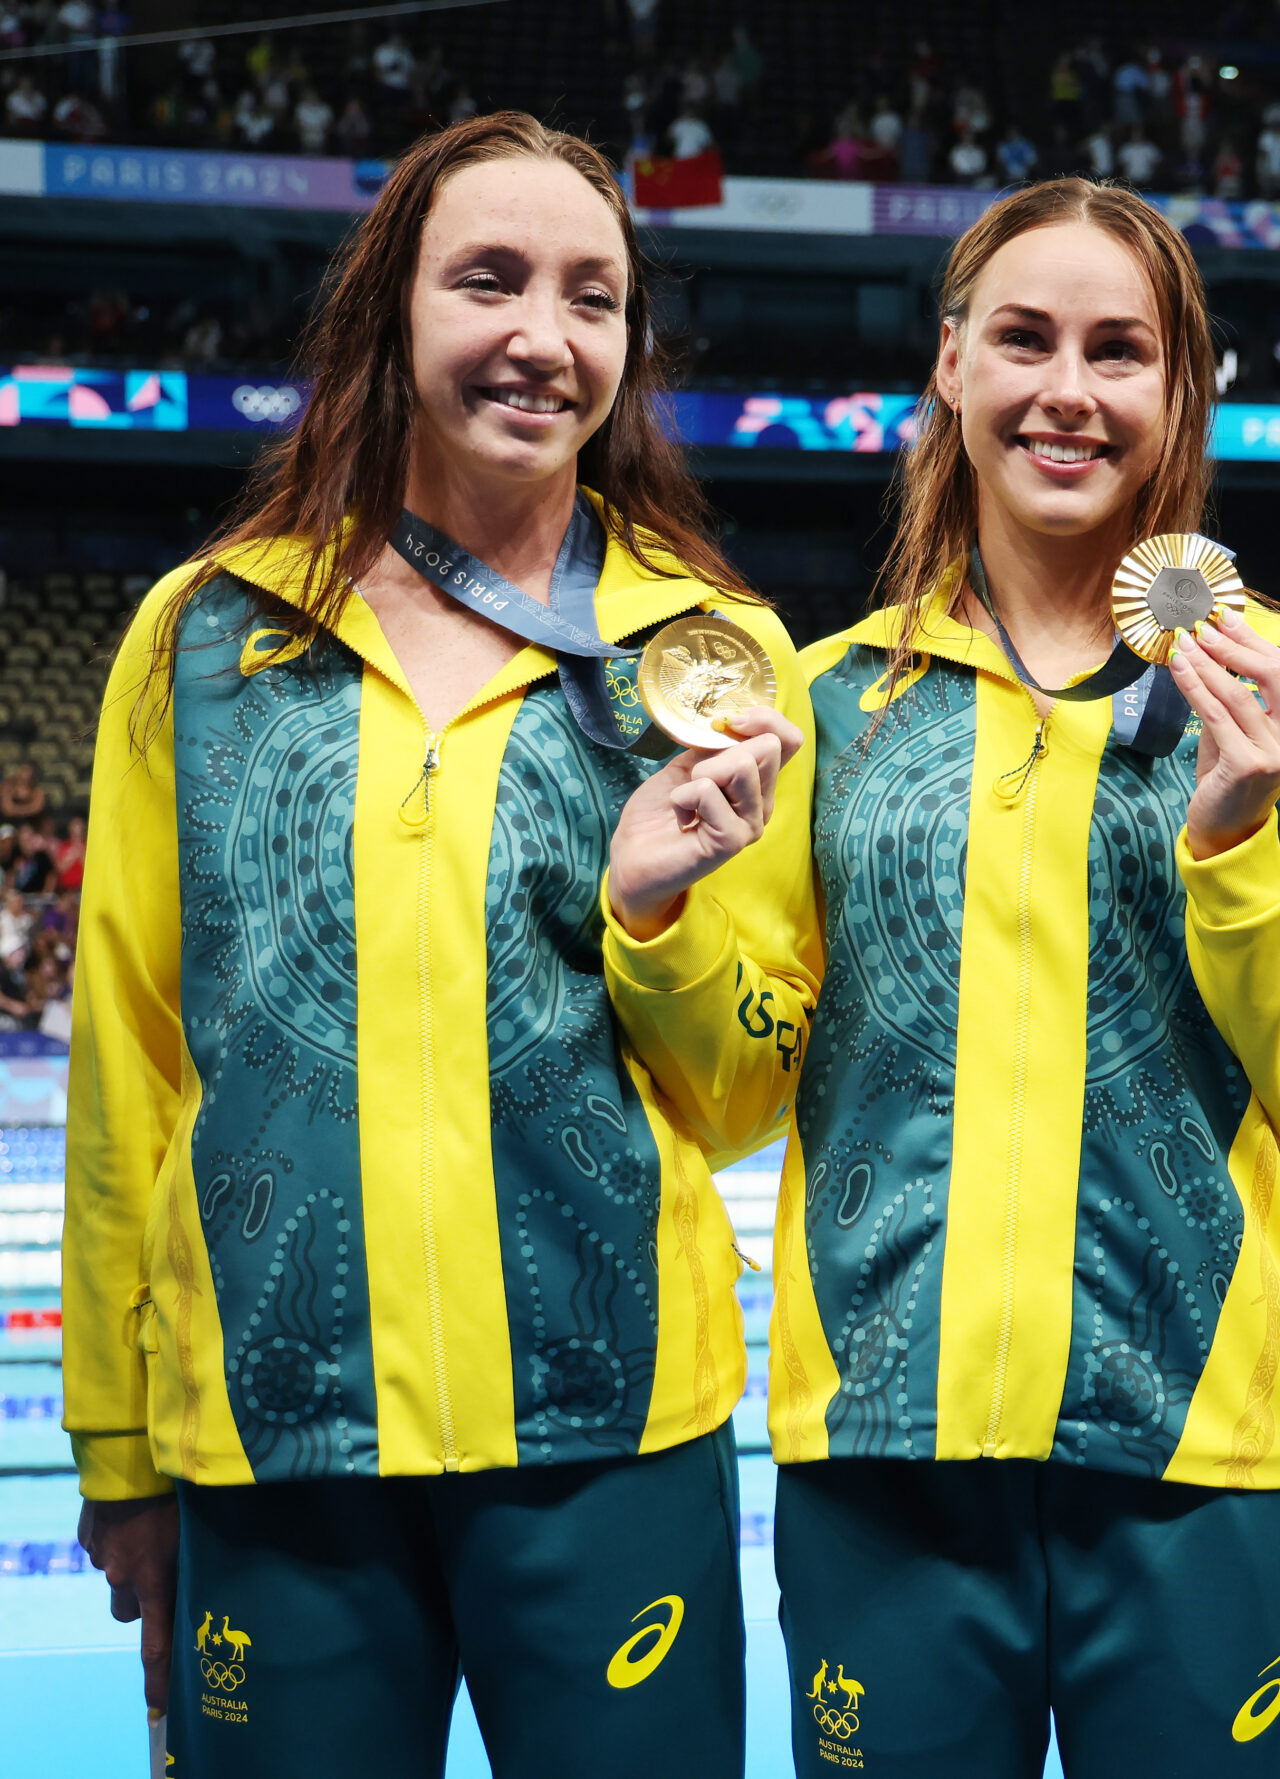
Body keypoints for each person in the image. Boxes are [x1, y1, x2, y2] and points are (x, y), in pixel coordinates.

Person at [601, 177, 1280, 1775]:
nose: (1069, 391)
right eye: (1024, 338)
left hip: (1200, 1453)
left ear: (1181, 396)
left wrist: (1237, 846)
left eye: (1122, 351)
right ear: (951, 366)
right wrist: (659, 921)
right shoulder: (828, 704)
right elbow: (742, 1090)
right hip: (890, 1443)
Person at [65, 112, 797, 1778]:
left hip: (605, 1433)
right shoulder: (203, 638)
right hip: (278, 1430)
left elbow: (751, 1089)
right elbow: (132, 1059)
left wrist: (655, 912)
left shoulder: (708, 655)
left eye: (592, 297)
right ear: (389, 312)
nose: (544, 336)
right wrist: (117, 1446)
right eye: (490, 281)